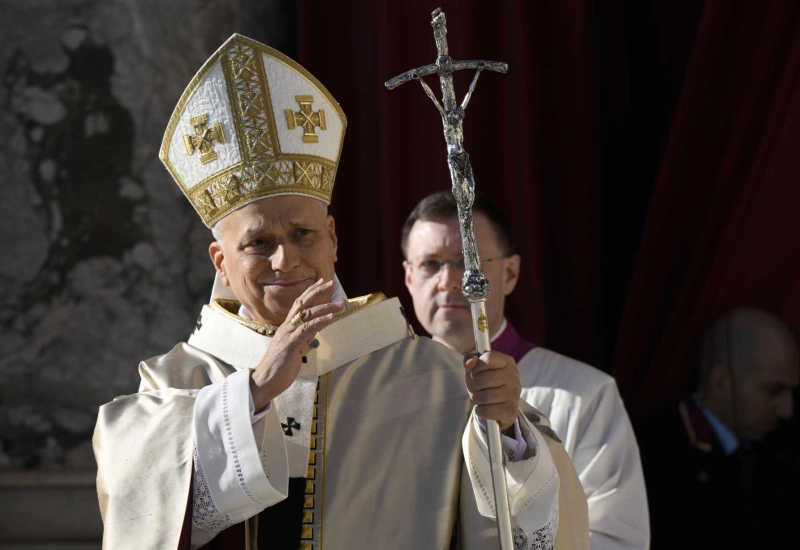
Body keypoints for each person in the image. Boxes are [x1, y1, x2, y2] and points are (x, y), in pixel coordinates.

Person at [92, 34, 590, 549]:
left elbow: (527, 530)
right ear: (221, 260)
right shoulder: (176, 382)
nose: (285, 260)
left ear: (332, 238)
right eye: (259, 243)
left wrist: (508, 434)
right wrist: (257, 390)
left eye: (302, 235)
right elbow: (142, 509)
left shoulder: (437, 379)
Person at [402, 191, 649, 549]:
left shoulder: (584, 395)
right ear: (408, 277)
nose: (448, 281)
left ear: (511, 272)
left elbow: (617, 539)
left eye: (466, 261)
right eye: (430, 264)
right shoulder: (390, 396)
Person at [636, 307, 800, 548]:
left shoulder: (780, 448)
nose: (788, 410)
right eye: (773, 391)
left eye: (791, 392)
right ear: (721, 381)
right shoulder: (656, 455)